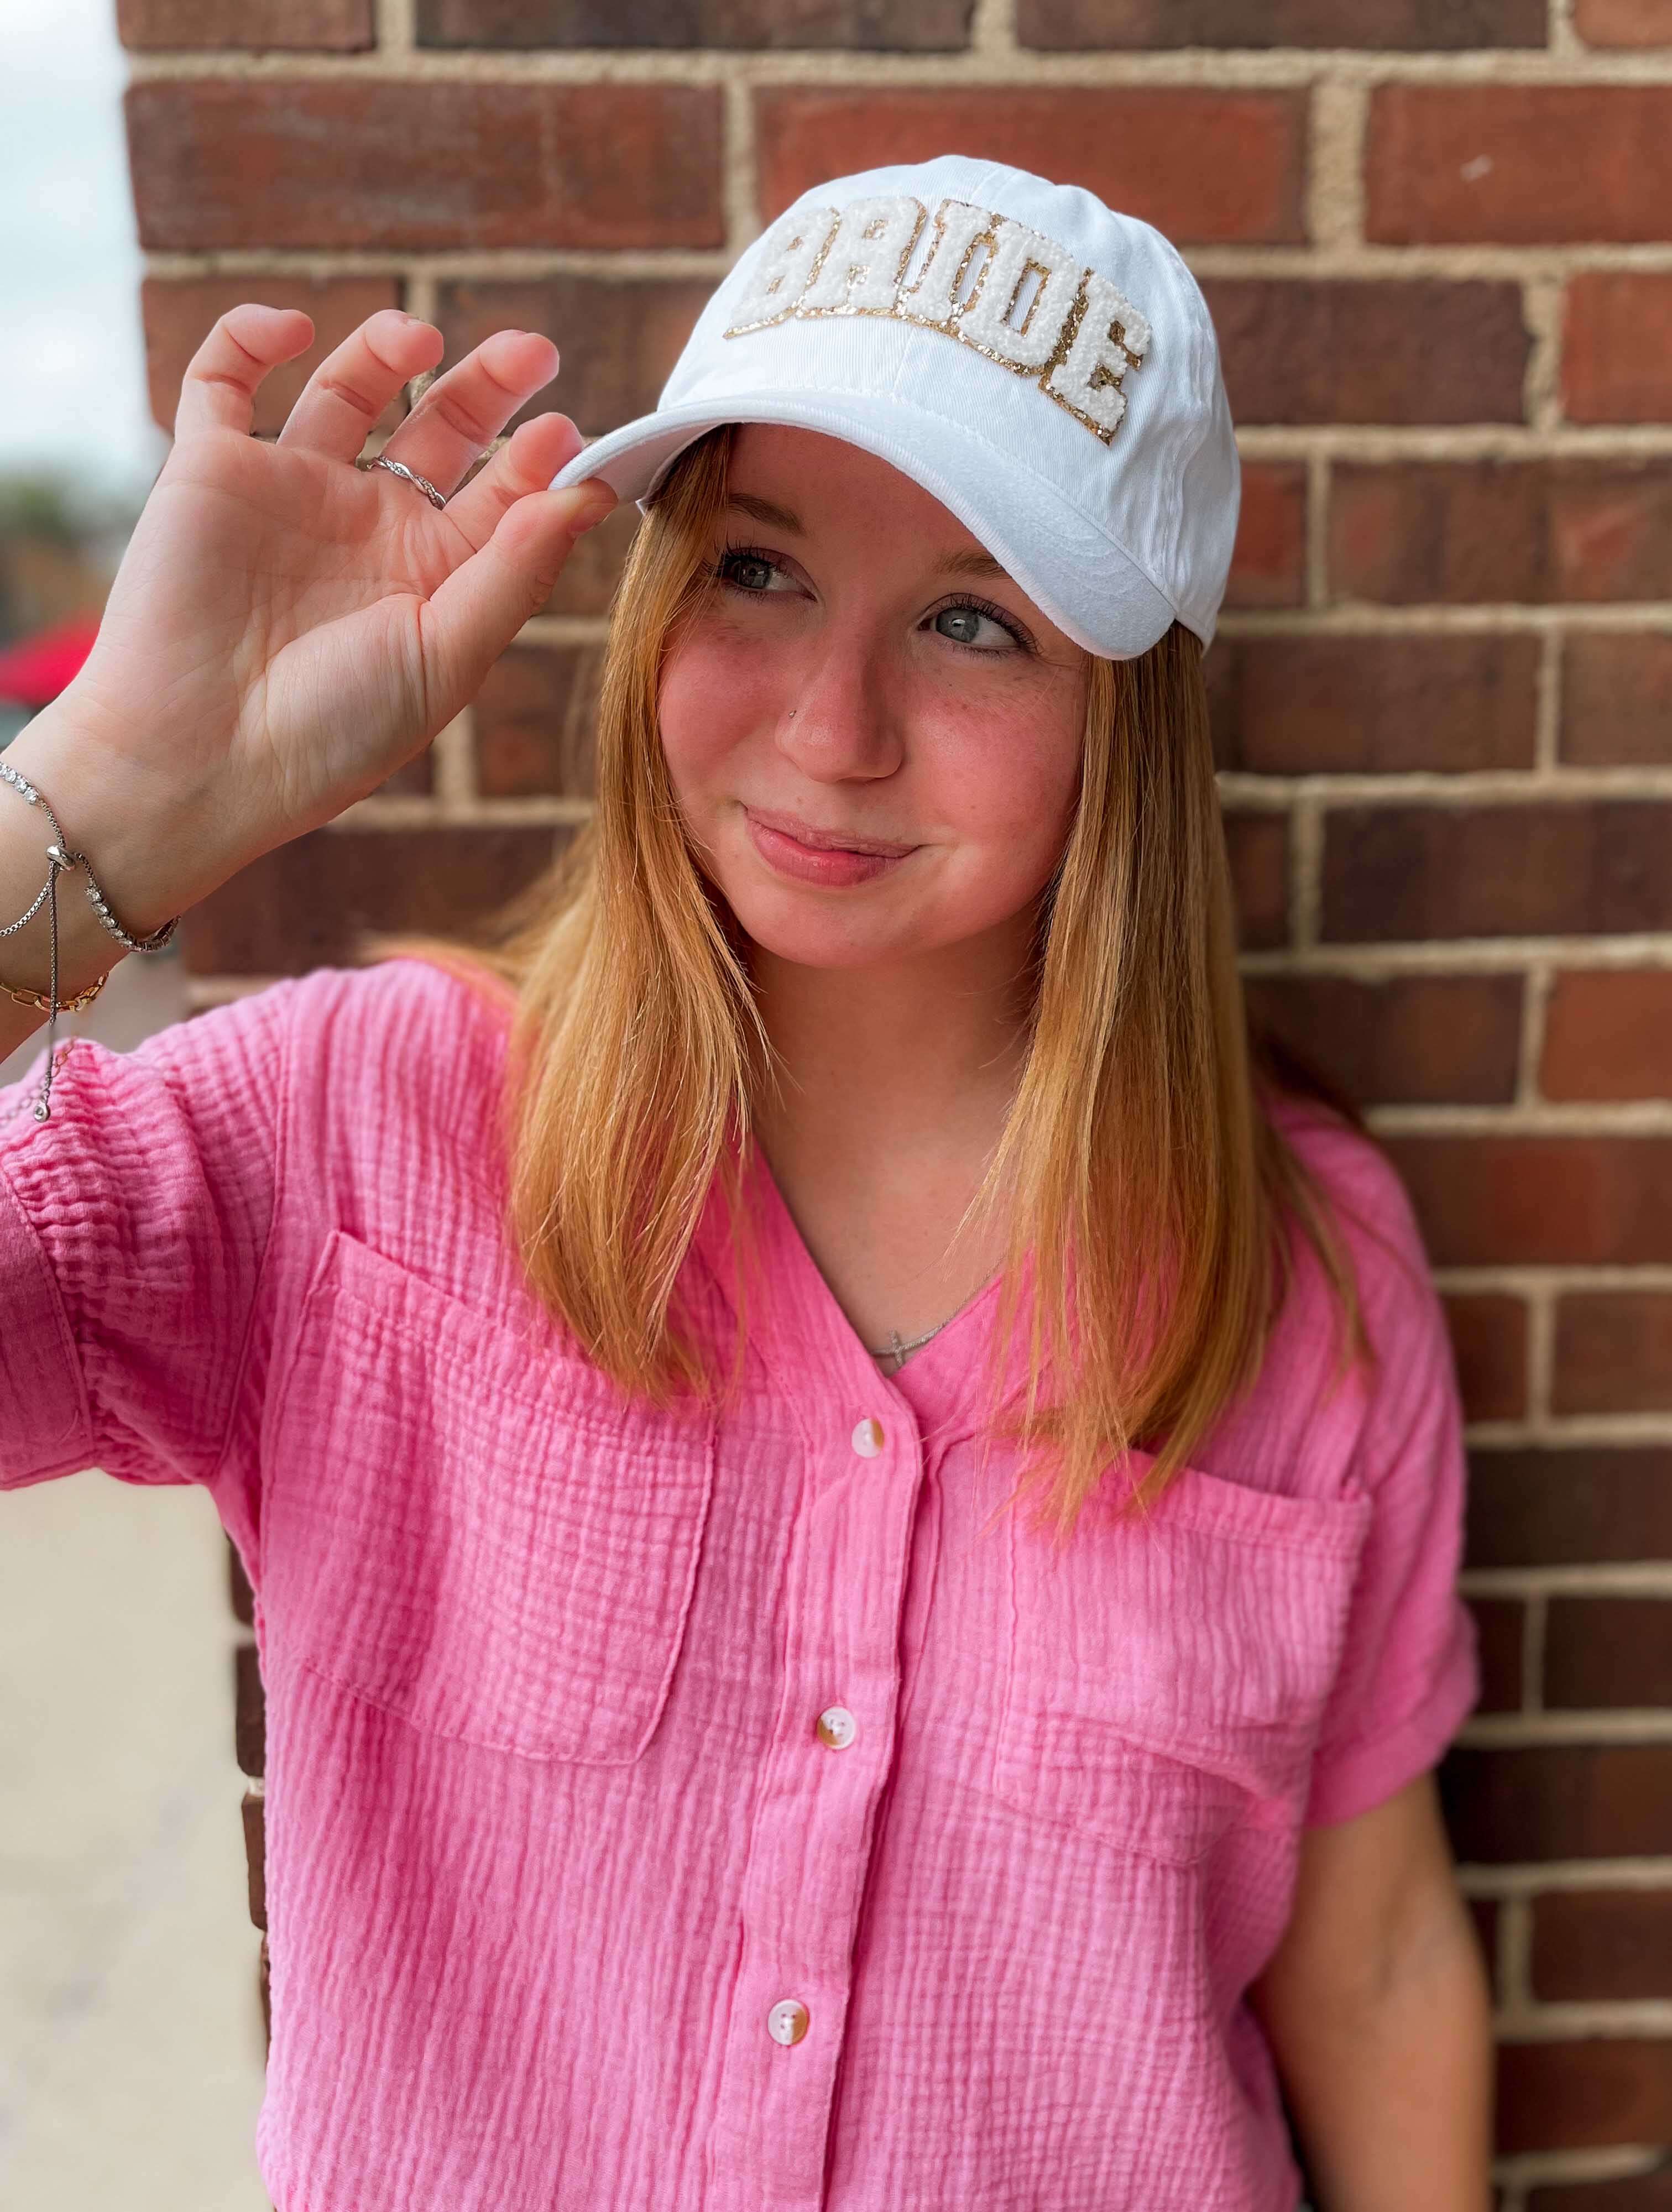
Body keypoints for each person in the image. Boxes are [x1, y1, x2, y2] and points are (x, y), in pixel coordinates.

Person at [0, 156, 1492, 2209]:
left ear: (1120, 723)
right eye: (759, 571)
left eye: (972, 619)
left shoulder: (1302, 1277)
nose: (833, 724)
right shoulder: (355, 1138)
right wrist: (113, 805)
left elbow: (1383, 1950)